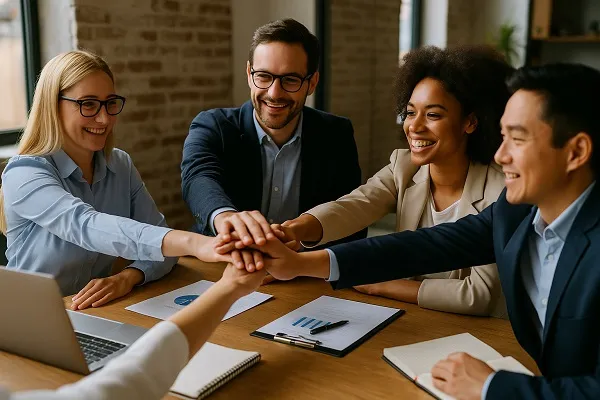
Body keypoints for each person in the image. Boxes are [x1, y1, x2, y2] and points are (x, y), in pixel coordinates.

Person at [254, 63, 600, 399]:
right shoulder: (517, 212)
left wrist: (491, 387)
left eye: (518, 140)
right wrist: (300, 261)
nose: (501, 154)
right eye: (503, 136)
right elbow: (420, 245)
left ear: (576, 152)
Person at [0, 50, 257, 310]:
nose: (104, 118)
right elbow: (86, 226)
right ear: (52, 105)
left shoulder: (119, 165)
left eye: (110, 103)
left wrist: (127, 278)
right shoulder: (25, 172)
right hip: (25, 319)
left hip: (90, 316)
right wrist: (195, 242)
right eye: (88, 104)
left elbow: (160, 248)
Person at [275, 46, 513, 317]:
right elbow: (355, 205)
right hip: (409, 318)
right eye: (411, 112)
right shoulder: (404, 167)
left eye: (433, 115)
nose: (415, 126)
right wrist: (292, 230)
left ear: (470, 122)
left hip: (478, 333)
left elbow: (477, 296)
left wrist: (383, 285)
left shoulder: (501, 190)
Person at [181, 18, 366, 262]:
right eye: (264, 76)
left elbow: (350, 218)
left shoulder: (336, 134)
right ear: (249, 74)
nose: (274, 93)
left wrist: (303, 248)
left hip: (303, 271)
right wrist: (226, 218)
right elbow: (198, 178)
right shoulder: (212, 125)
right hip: (224, 264)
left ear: (312, 83)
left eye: (290, 80)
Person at [0, 262, 267, 400]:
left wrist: (131, 274)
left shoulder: (120, 166)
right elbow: (126, 386)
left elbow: (157, 241)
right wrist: (227, 284)